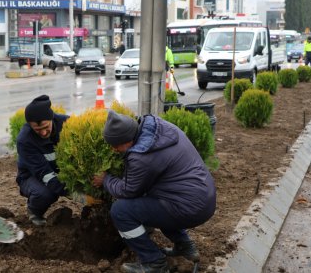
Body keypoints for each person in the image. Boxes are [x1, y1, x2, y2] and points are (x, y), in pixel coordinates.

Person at [92, 110, 217, 273]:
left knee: (120, 211)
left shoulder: (142, 156)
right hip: (204, 197)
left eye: (116, 146)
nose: (114, 150)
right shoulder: (161, 128)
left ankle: (154, 262)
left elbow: (127, 191)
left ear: (127, 140)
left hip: (190, 208)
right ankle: (185, 246)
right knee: (157, 200)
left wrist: (106, 180)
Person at [16, 95, 70, 226]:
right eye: (38, 130)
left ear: (52, 118)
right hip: (32, 176)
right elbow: (44, 174)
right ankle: (34, 211)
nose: (44, 133)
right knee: (46, 193)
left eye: (46, 127)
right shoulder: (25, 140)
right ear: (30, 126)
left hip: (63, 171)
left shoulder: (68, 125)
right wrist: (73, 192)